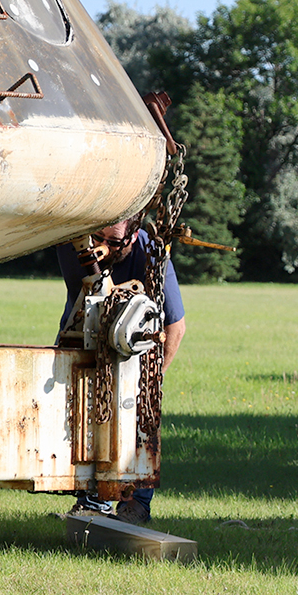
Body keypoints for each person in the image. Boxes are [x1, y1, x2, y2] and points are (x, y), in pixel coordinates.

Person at [56, 218, 186, 523]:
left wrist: (153, 379)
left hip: (133, 356)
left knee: (138, 429)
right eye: (96, 237)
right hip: (82, 342)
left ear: (132, 237)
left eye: (112, 242)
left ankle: (135, 504)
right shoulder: (72, 242)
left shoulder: (151, 254)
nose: (100, 247)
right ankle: (90, 501)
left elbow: (175, 327)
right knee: (81, 425)